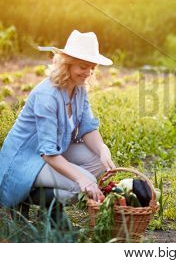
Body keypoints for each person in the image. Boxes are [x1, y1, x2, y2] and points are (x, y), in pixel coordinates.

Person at [0, 30, 116, 216]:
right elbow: (48, 153)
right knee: (84, 184)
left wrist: (102, 148)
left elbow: (87, 128)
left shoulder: (79, 90)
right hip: (27, 158)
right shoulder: (47, 96)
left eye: (92, 67)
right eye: (83, 66)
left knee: (98, 161)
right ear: (66, 64)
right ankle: (31, 196)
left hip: (55, 150)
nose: (88, 73)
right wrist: (81, 179)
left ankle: (53, 195)